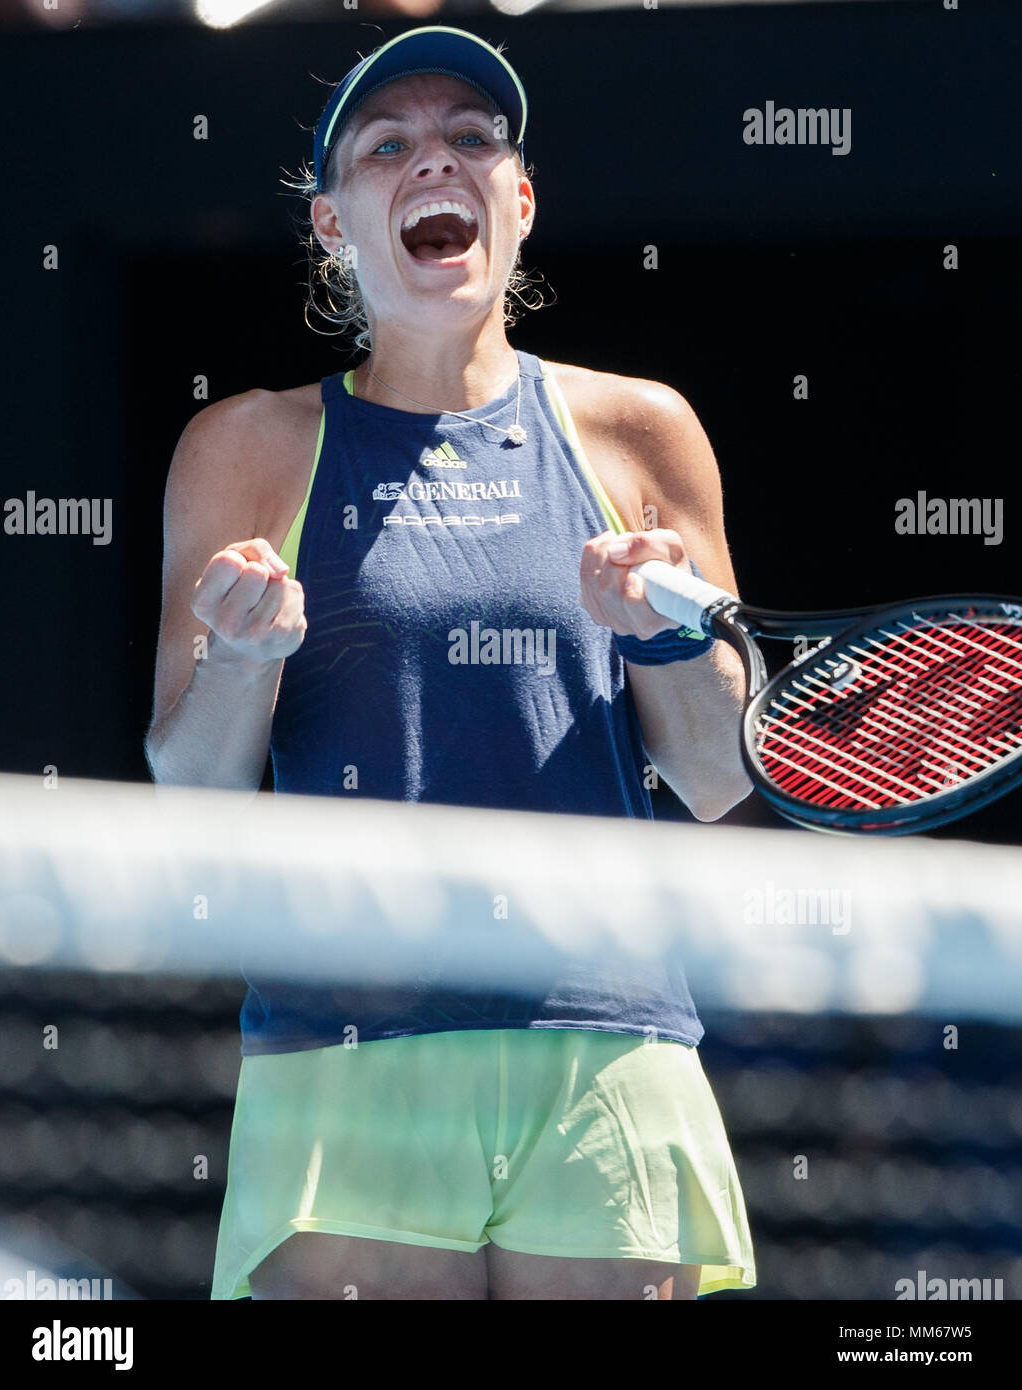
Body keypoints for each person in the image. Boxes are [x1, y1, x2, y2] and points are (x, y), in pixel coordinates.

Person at [145, 25, 756, 1301]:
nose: (438, 159)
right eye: (390, 147)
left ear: (517, 202)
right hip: (345, 1051)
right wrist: (243, 660)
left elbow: (713, 777)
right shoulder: (244, 445)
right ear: (331, 224)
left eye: (473, 140)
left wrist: (659, 636)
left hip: (604, 1044)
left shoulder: (641, 429)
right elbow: (191, 783)